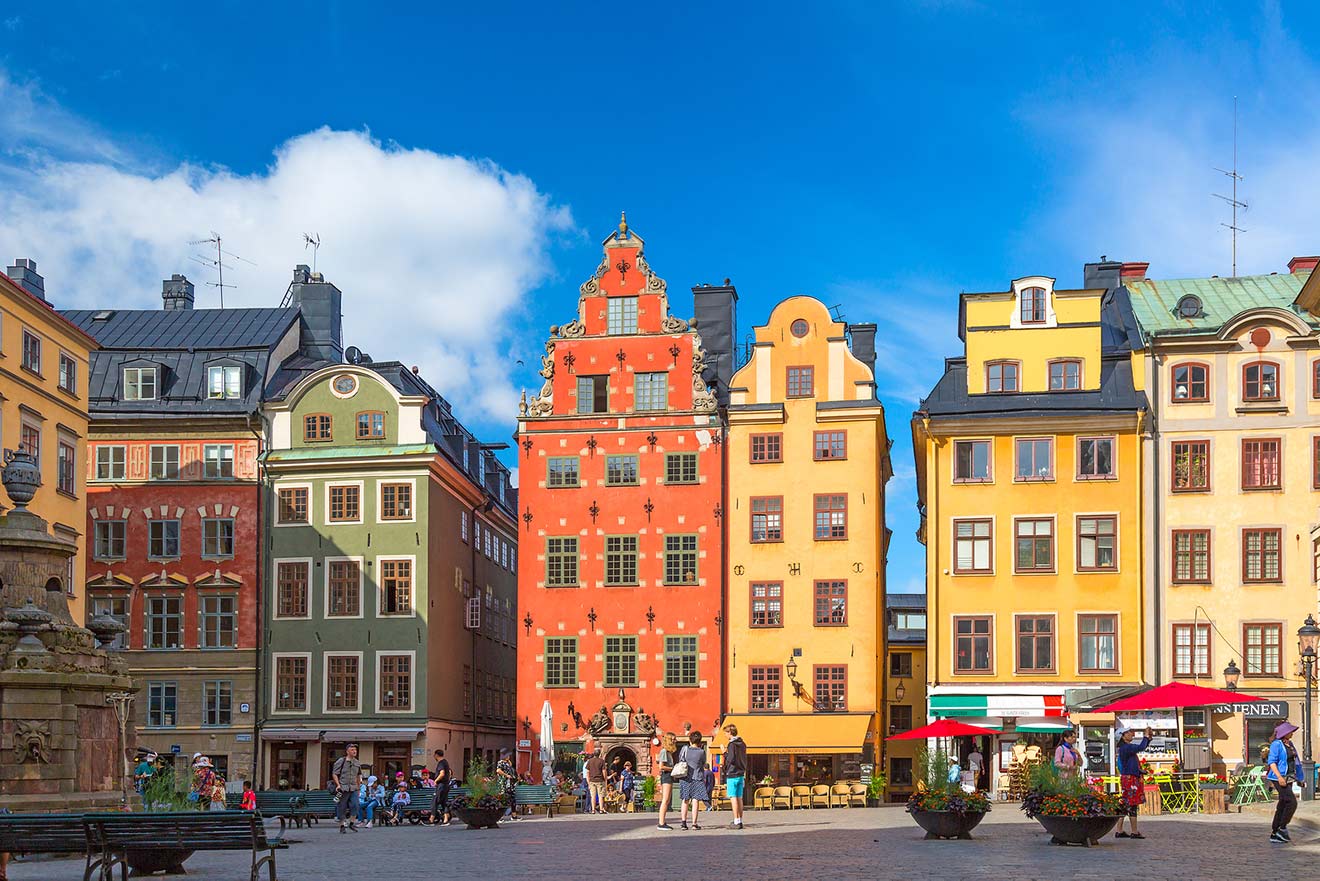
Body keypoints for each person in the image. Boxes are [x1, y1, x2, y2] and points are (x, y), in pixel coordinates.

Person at [1115, 725, 1152, 840]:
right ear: (1123, 736)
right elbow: (1141, 747)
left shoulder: (1125, 748)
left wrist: (1148, 738)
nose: (1132, 733)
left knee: (1125, 803)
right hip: (1130, 779)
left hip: (1128, 777)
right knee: (1132, 804)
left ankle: (1119, 830)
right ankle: (1134, 831)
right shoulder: (1126, 748)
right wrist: (1146, 736)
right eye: (1129, 732)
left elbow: (1130, 763)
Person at [1267, 721, 1302, 843]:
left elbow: (1296, 762)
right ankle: (1282, 828)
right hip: (1278, 777)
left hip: (1289, 777)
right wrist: (1279, 777)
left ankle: (1275, 832)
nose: (1292, 733)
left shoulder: (1290, 744)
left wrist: (1300, 779)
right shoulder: (1276, 744)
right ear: (1284, 732)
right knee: (1291, 802)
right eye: (1290, 731)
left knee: (1283, 803)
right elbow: (1272, 762)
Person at [677, 730, 709, 830]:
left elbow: (680, 760)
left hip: (685, 777)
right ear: (700, 741)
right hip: (697, 778)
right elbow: (703, 763)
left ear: (690, 740)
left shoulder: (684, 749)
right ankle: (694, 824)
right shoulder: (702, 752)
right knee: (695, 801)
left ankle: (683, 823)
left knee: (685, 800)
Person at [333, 743, 363, 834]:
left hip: (354, 788)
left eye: (355, 750)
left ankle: (351, 823)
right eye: (352, 750)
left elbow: (358, 775)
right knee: (342, 807)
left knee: (355, 805)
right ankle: (342, 825)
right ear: (347, 751)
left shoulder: (357, 762)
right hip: (343, 787)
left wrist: (359, 788)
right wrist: (338, 784)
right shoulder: (341, 761)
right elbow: (335, 773)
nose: (354, 751)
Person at [722, 724, 748, 830]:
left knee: (733, 798)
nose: (725, 735)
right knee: (739, 798)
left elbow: (731, 759)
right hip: (741, 773)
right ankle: (740, 820)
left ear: (729, 732)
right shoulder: (742, 744)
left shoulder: (731, 744)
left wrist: (724, 753)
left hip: (732, 774)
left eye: (725, 733)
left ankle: (736, 820)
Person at [656, 732, 678, 830]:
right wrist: (673, 768)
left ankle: (663, 821)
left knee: (667, 800)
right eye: (673, 739)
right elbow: (661, 767)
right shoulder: (664, 751)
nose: (675, 741)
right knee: (665, 800)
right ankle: (661, 823)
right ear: (669, 740)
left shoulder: (668, 752)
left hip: (668, 776)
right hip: (666, 776)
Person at [431, 749, 452, 826]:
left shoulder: (441, 763)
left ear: (436, 755)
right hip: (446, 785)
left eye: (434, 755)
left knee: (435, 800)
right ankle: (446, 819)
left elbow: (442, 773)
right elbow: (449, 772)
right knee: (444, 802)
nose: (434, 757)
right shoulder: (445, 762)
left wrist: (436, 781)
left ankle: (431, 819)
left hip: (441, 785)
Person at [496, 748, 519, 821]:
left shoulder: (508, 762)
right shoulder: (500, 762)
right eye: (508, 755)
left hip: (510, 784)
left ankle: (514, 816)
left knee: (512, 799)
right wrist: (506, 775)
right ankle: (500, 817)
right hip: (504, 783)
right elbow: (498, 770)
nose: (509, 756)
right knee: (503, 799)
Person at [584, 749, 607, 814]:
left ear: (594, 754)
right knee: (601, 796)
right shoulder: (602, 761)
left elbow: (587, 772)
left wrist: (588, 781)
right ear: (599, 754)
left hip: (592, 781)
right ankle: (601, 809)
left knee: (593, 796)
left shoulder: (589, 761)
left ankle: (593, 810)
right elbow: (604, 771)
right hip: (600, 780)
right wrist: (605, 779)